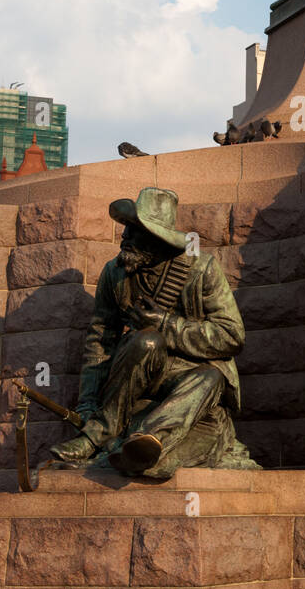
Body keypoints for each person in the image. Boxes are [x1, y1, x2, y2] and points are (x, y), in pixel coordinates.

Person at [50, 187, 256, 479]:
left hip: (192, 376)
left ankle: (144, 444)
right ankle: (97, 435)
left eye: (134, 232)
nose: (124, 238)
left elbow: (232, 336)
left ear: (156, 239)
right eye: (126, 230)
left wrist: (166, 323)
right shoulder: (115, 273)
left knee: (212, 376)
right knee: (147, 341)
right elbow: (99, 342)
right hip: (140, 373)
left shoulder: (201, 269)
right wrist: (87, 404)